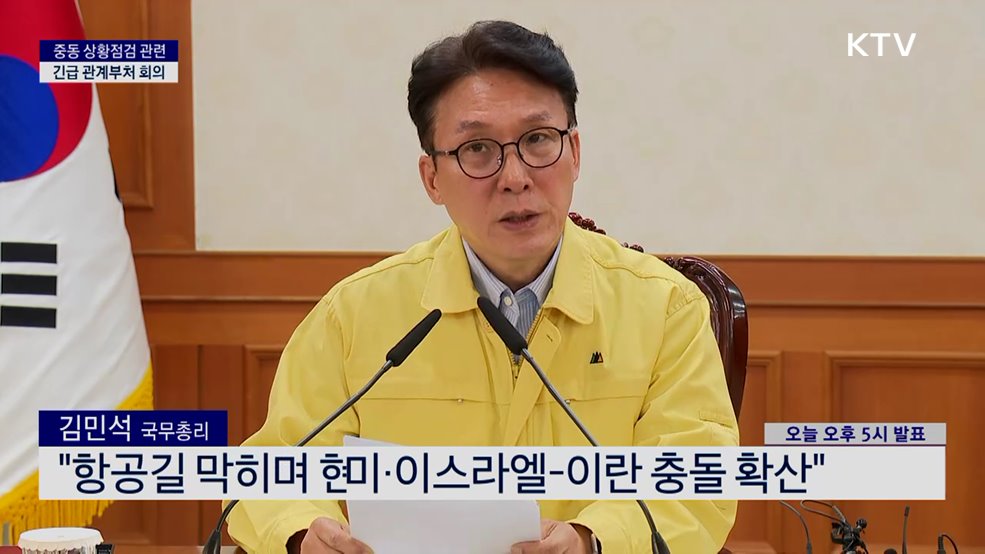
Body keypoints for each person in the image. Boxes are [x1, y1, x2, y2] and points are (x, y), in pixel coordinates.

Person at [226, 19, 739, 554]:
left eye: (538, 140)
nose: (515, 177)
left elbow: (698, 480)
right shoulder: (353, 315)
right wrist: (303, 534)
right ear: (431, 178)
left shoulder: (664, 308)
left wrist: (593, 540)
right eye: (477, 149)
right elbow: (271, 474)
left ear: (575, 152)